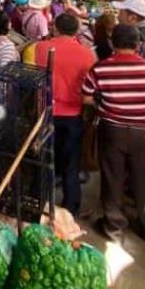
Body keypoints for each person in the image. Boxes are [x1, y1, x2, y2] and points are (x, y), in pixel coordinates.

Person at [82, 24, 145, 242]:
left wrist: (105, 102)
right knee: (143, 179)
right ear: (138, 45)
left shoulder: (100, 68)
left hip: (112, 131)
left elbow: (86, 98)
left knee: (112, 177)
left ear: (113, 43)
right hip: (143, 133)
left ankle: (113, 228)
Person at [35, 13, 96, 217]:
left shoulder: (41, 48)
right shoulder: (87, 54)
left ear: (55, 28)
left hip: (46, 112)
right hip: (73, 114)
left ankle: (38, 203)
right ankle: (71, 208)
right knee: (71, 164)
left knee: (44, 159)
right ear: (77, 31)